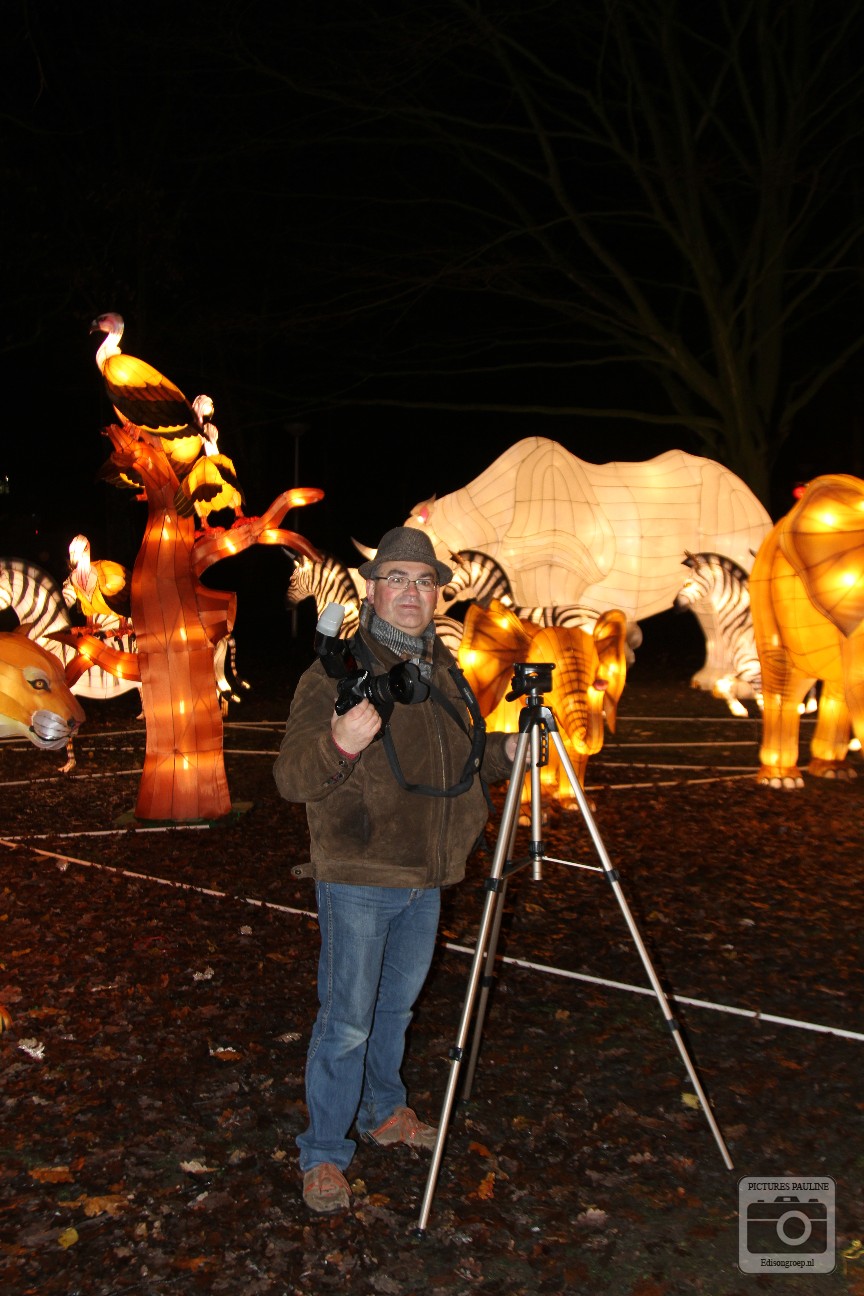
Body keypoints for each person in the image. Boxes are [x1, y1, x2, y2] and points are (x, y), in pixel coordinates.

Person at [274, 526, 518, 1214]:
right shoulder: (335, 671)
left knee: (395, 1010)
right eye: (398, 579)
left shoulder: (444, 670)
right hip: (360, 875)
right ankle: (324, 1153)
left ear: (437, 594)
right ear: (374, 590)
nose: (412, 592)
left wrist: (506, 750)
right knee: (347, 1020)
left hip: (429, 877)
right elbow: (292, 777)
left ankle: (384, 1110)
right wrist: (339, 743)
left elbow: (461, 762)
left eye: (424, 581)